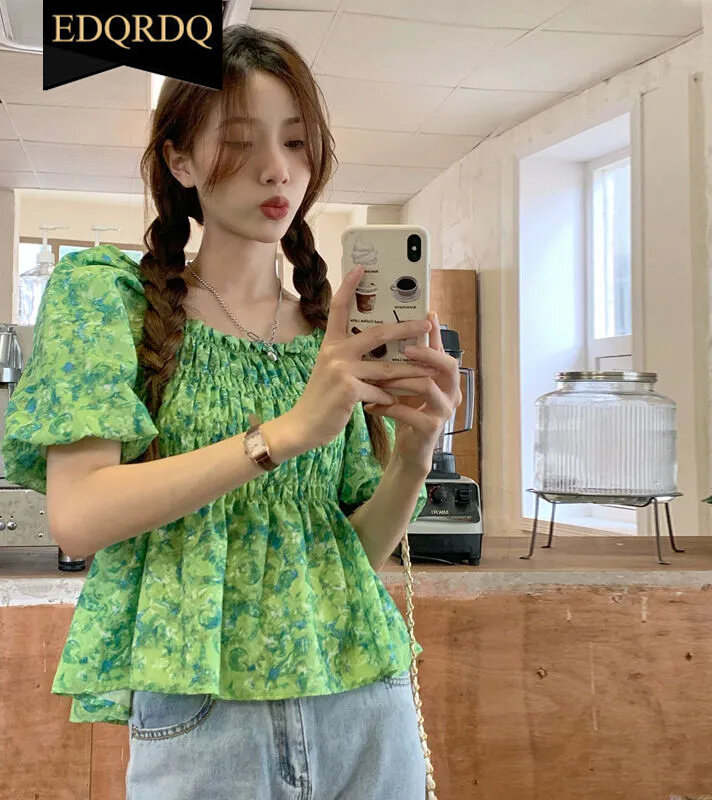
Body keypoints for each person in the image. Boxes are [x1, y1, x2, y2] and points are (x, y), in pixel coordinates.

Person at [0, 24, 460, 800]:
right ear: (180, 161)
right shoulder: (106, 298)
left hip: (362, 710)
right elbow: (78, 517)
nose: (277, 169)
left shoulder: (328, 337)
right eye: (241, 142)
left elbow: (352, 552)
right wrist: (281, 435)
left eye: (297, 142)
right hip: (204, 721)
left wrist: (415, 458)